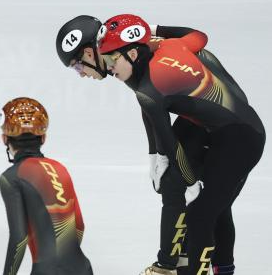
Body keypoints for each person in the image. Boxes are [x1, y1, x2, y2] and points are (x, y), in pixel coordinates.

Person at [96, 14, 265, 275]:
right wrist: (150, 29)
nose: (108, 68)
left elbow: (173, 150)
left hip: (239, 141)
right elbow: (199, 35)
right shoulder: (170, 46)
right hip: (237, 129)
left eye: (110, 59)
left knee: (200, 215)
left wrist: (189, 182)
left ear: (131, 53)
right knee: (217, 210)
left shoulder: (150, 92)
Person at [57, 16, 209, 275]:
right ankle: (181, 258)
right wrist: (155, 154)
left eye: (76, 67)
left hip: (211, 113)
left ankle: (169, 266)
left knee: (177, 181)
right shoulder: (122, 56)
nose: (81, 75)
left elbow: (197, 37)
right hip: (198, 110)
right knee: (176, 181)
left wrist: (153, 29)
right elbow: (148, 104)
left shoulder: (128, 53)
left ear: (89, 53)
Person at [0, 97, 93, 275]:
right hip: (82, 268)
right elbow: (79, 225)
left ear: (5, 139)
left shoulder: (11, 177)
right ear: (43, 138)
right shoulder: (60, 168)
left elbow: (19, 238)